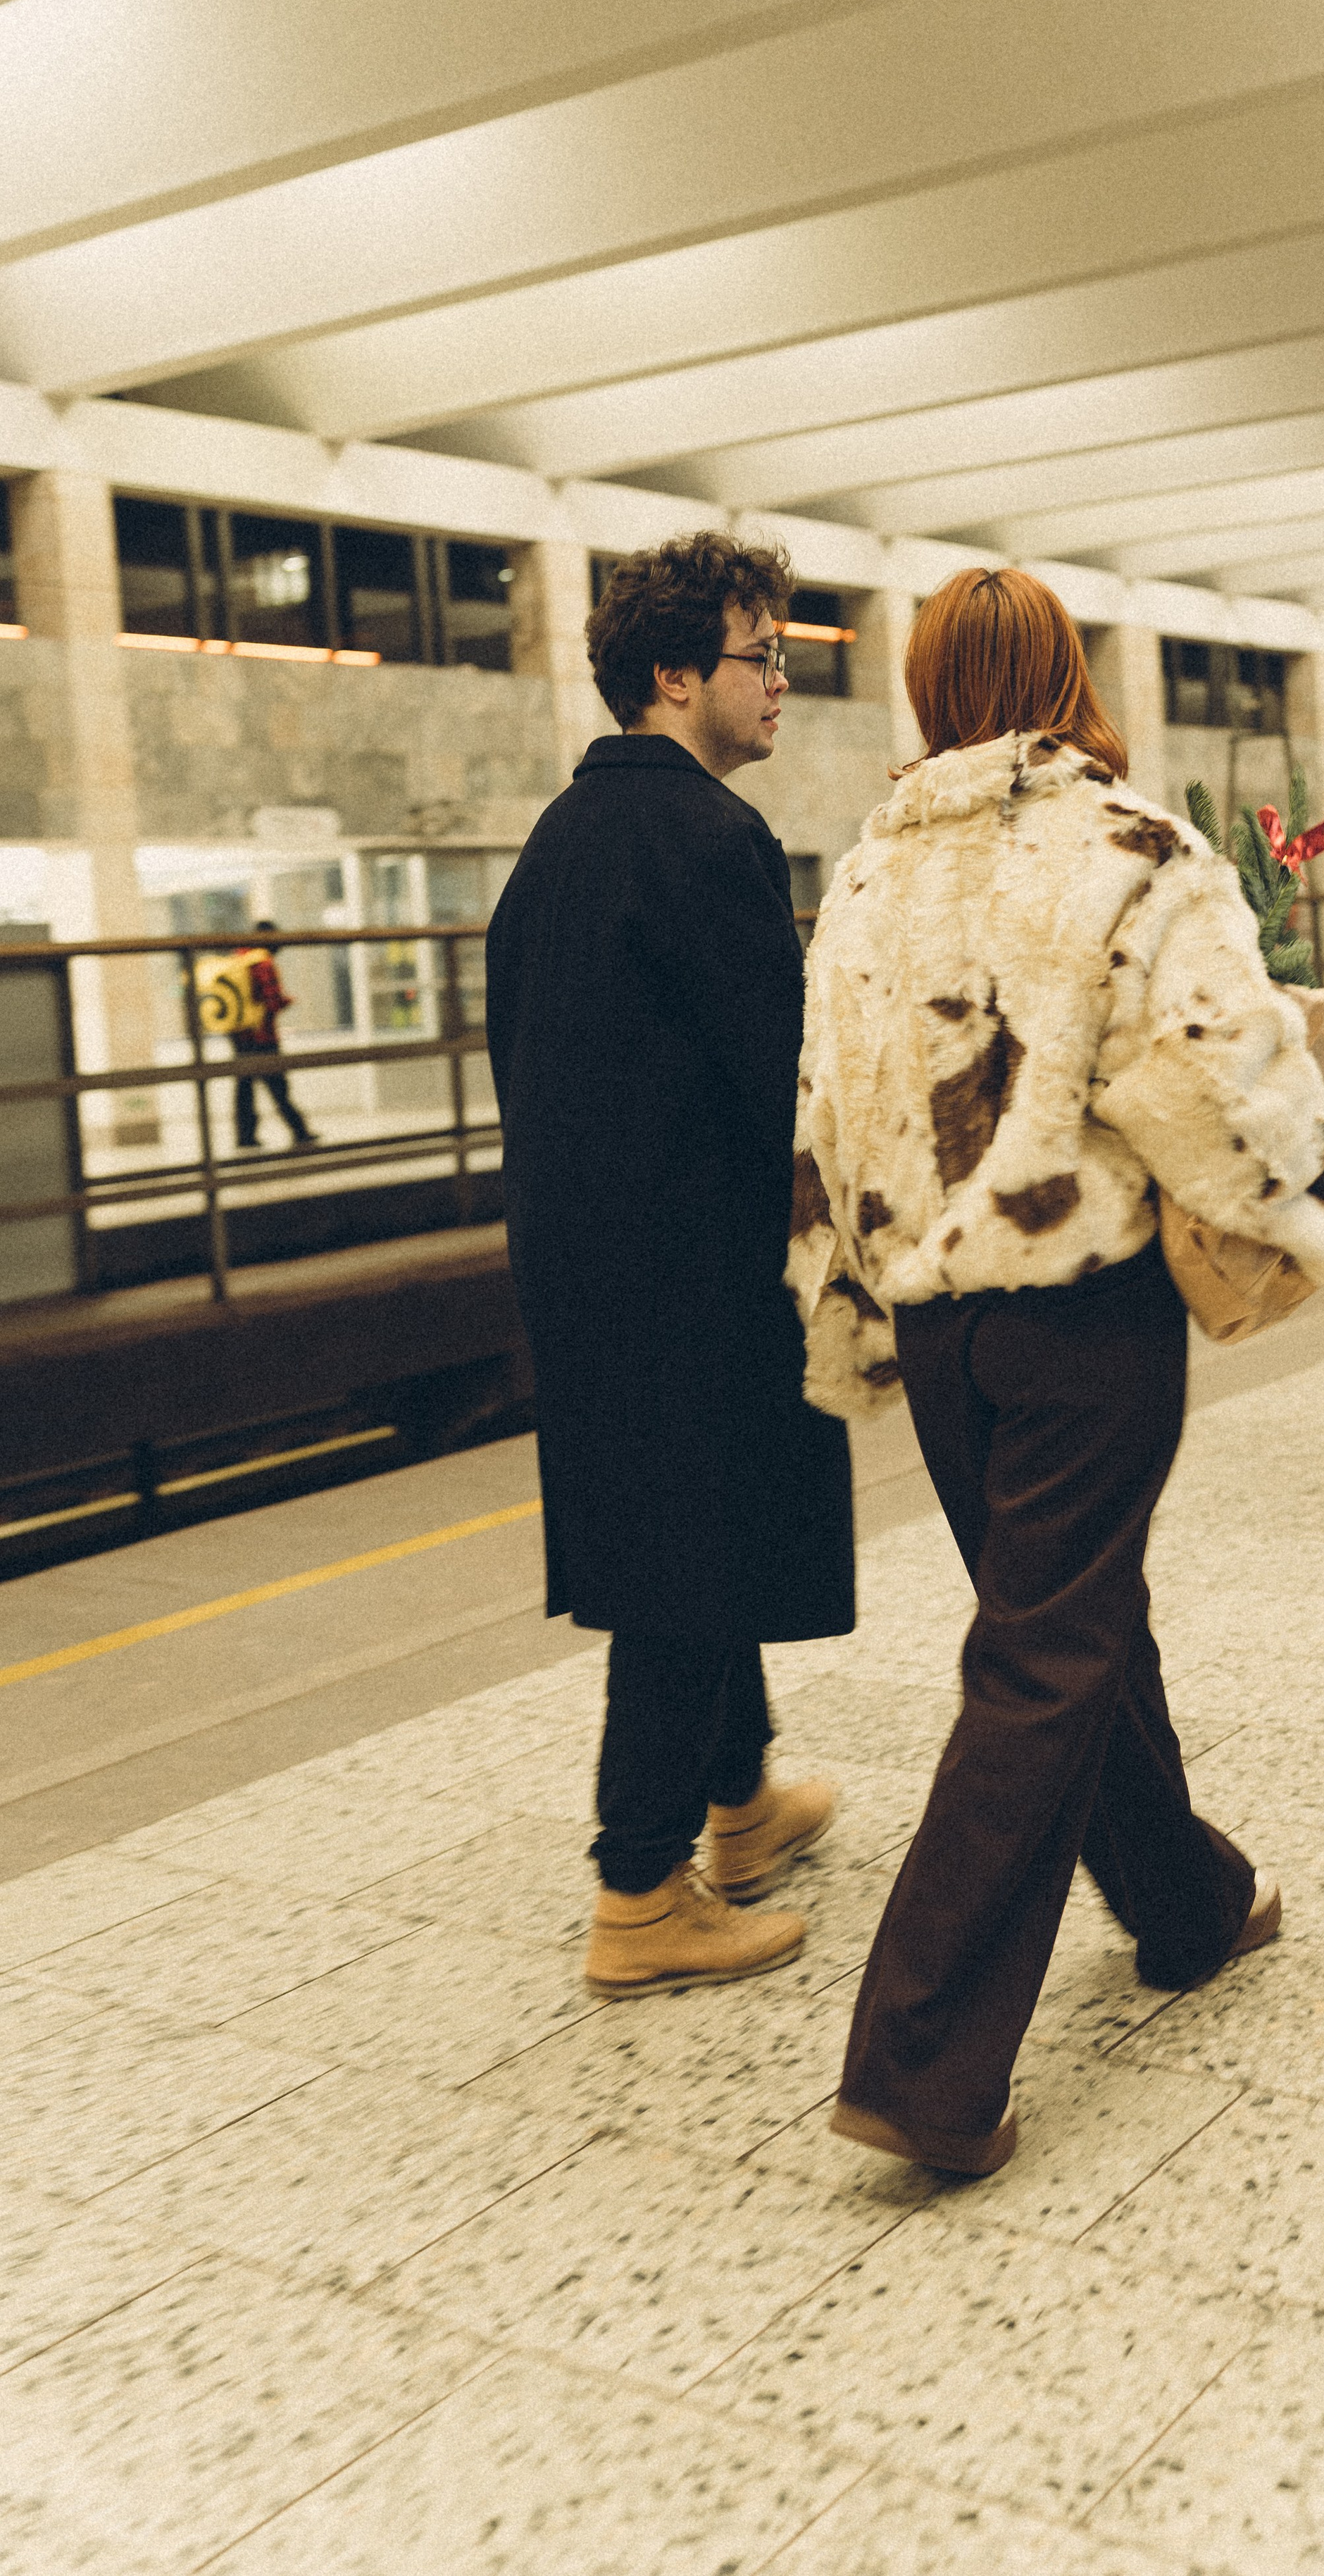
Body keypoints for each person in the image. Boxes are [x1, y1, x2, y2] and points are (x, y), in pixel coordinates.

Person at [789, 568, 1324, 2177]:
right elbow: (1212, 1079)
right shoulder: (1128, 850)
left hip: (940, 1318)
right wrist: (1301, 1192)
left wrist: (845, 1300)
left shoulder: (864, 874)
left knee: (1066, 1614)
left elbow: (827, 1120)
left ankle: (1185, 1902)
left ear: (923, 689)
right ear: (1066, 675)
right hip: (1080, 1308)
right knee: (1043, 1654)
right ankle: (919, 2062)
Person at [485, 532, 851, 2000]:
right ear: (673, 672)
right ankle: (640, 1894)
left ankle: (741, 1810)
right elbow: (783, 1076)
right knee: (688, 1558)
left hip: (586, 1268)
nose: (779, 687)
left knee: (701, 1527)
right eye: (761, 658)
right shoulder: (708, 840)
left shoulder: (559, 843)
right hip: (693, 1270)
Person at [219, 923, 318, 1151]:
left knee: (244, 1088)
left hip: (238, 1034)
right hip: (263, 1036)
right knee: (278, 1086)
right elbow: (272, 1002)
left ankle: (245, 1136)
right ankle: (300, 1131)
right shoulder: (262, 963)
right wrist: (287, 1001)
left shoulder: (237, 958)